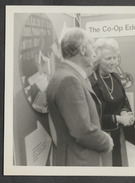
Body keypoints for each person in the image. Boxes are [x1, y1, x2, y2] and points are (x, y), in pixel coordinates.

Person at [46, 28, 113, 166]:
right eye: (92, 47)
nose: (94, 54)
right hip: (79, 160)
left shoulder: (67, 75)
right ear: (82, 49)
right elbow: (82, 131)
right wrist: (106, 141)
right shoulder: (68, 80)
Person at [89, 38, 135, 166]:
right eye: (108, 58)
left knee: (120, 166)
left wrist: (124, 113)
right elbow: (94, 117)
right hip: (103, 136)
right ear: (98, 60)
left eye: (115, 58)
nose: (113, 62)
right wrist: (119, 119)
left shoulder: (115, 77)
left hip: (118, 133)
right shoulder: (92, 83)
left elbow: (124, 101)